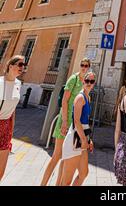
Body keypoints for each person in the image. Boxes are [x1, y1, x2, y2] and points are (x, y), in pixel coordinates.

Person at [41, 57, 91, 186]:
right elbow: (64, 101)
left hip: (74, 127)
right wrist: (64, 121)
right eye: (82, 65)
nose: (84, 68)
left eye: (86, 66)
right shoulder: (73, 79)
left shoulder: (86, 82)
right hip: (65, 121)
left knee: (65, 159)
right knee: (56, 156)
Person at [60, 71, 95, 186]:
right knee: (66, 181)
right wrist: (84, 139)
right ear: (83, 81)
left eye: (92, 81)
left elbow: (85, 123)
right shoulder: (80, 97)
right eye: (87, 81)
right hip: (74, 140)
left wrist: (88, 139)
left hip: (82, 138)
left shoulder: (88, 97)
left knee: (83, 173)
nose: (89, 83)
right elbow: (76, 121)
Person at [0, 55, 25, 181]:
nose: (22, 67)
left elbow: (13, 108)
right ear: (11, 66)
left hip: (6, 126)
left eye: (23, 65)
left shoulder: (18, 84)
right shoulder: (0, 82)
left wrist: (11, 129)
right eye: (20, 64)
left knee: (1, 170)